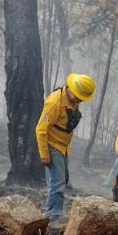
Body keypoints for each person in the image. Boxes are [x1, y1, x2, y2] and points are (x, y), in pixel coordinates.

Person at [35, 73, 95, 220]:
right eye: (80, 97)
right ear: (73, 91)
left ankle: (53, 213)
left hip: (64, 147)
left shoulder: (73, 101)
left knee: (62, 181)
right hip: (52, 145)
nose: (81, 100)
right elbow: (41, 130)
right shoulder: (55, 103)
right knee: (57, 184)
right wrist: (44, 155)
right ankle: (53, 217)